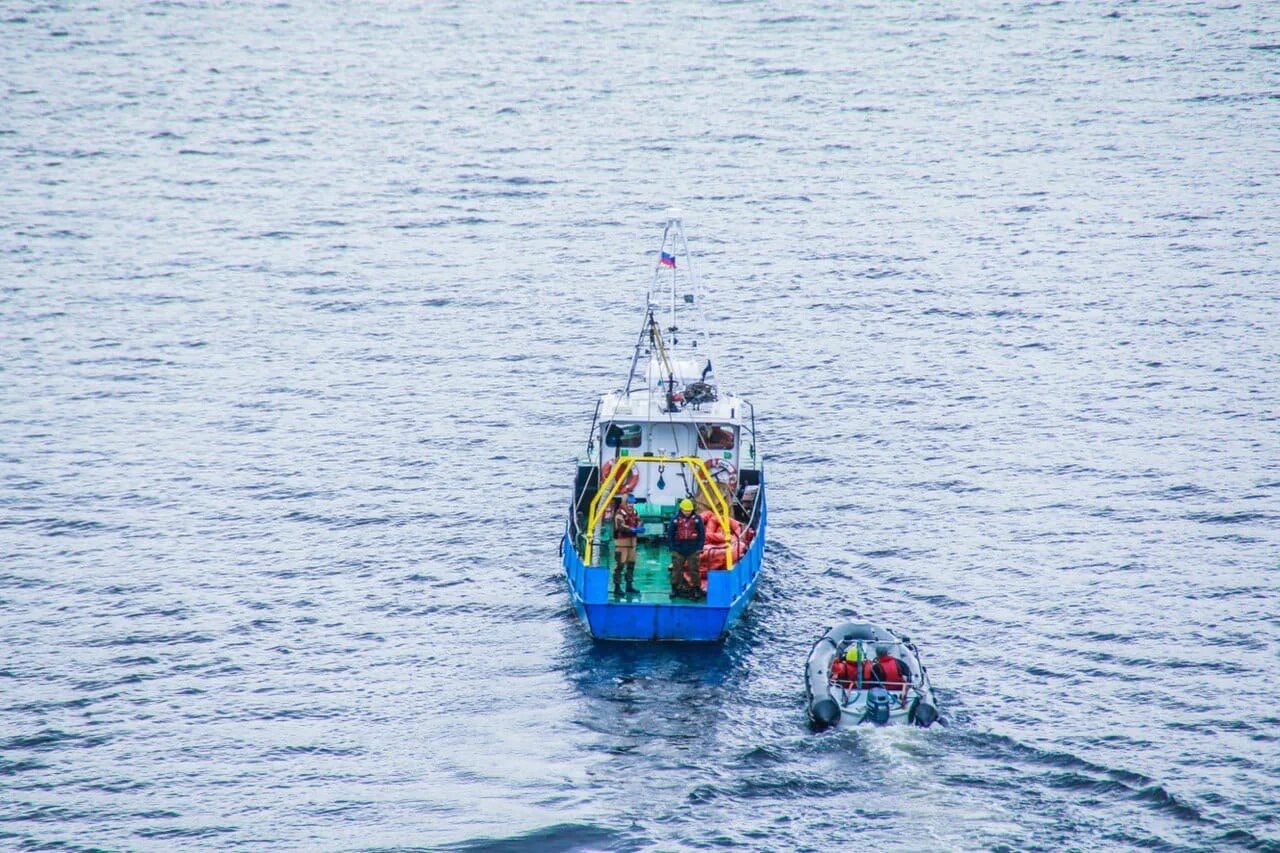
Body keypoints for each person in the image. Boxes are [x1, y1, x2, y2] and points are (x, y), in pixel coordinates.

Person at [668, 497, 705, 599]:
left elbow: (702, 534)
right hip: (678, 549)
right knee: (676, 569)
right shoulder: (675, 519)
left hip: (693, 549)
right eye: (685, 510)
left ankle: (696, 589)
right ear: (681, 509)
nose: (687, 512)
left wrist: (699, 547)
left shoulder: (697, 520)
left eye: (689, 510)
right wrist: (672, 547)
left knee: (694, 569)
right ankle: (675, 588)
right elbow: (670, 534)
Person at [611, 495, 643, 598]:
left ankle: (629, 585)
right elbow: (620, 526)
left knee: (631, 565)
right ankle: (617, 587)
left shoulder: (634, 512)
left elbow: (639, 520)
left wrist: (640, 526)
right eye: (629, 503)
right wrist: (632, 529)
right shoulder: (620, 513)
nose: (631, 505)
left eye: (632, 503)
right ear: (625, 503)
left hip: (632, 543)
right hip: (622, 543)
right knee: (620, 565)